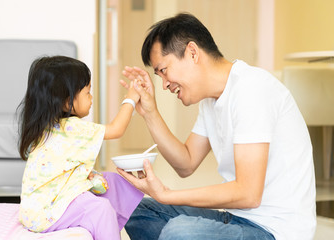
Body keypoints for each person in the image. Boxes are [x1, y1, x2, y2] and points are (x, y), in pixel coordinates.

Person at [118, 13, 316, 240]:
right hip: (236, 219)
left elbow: (248, 194)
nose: (164, 85)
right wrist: (150, 112)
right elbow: (186, 163)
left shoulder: (251, 89)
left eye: (164, 71)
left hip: (275, 231)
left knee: (179, 232)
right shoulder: (211, 101)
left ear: (192, 53)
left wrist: (167, 195)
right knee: (135, 210)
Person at [17, 55, 143, 240]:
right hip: (46, 214)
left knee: (111, 181)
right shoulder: (72, 127)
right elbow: (116, 130)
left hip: (34, 211)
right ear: (68, 102)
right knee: (102, 209)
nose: (91, 98)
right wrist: (131, 99)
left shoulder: (45, 126)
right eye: (88, 92)